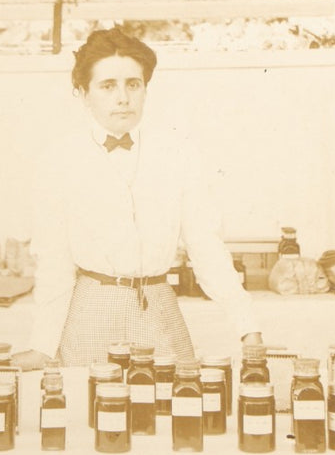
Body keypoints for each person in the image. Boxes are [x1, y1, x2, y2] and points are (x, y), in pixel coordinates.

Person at [16, 26, 263, 368]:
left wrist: (247, 326)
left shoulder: (178, 154)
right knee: (89, 413)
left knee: (171, 411)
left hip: (159, 309)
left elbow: (205, 246)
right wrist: (42, 346)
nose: (123, 98)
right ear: (83, 93)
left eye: (133, 84)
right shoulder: (59, 160)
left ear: (146, 89)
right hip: (89, 315)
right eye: (108, 86)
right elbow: (54, 263)